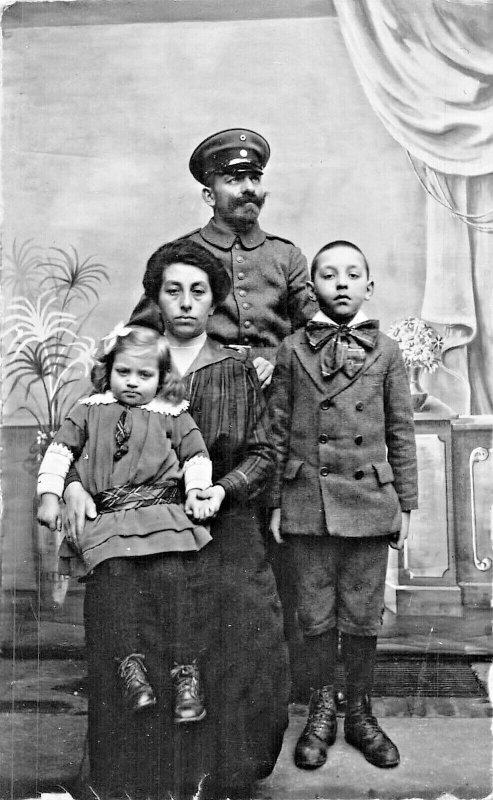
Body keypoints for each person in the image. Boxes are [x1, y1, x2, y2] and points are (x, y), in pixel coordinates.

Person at [64, 240, 290, 800]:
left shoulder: (238, 369)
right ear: (156, 299)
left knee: (247, 633)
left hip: (224, 520)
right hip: (138, 524)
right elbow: (79, 438)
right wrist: (69, 486)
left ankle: (224, 775)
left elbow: (265, 453)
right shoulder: (135, 361)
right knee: (135, 630)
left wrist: (223, 488)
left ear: (215, 301)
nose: (185, 302)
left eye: (198, 291)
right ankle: (139, 776)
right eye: (173, 290)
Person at [268, 240, 418, 771]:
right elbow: (279, 430)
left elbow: (401, 431)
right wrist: (277, 504)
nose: (341, 283)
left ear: (368, 287)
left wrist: (406, 503)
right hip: (308, 498)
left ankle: (360, 712)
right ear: (314, 289)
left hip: (370, 501)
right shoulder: (291, 350)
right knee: (314, 615)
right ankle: (320, 711)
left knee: (361, 615)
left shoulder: (389, 352)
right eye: (329, 275)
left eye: (352, 274)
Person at [37, 324, 215, 724]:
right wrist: (51, 495)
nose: (133, 383)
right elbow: (60, 451)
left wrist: (197, 491)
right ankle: (131, 671)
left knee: (173, 582)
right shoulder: (89, 409)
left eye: (145, 375)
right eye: (124, 373)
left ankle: (185, 672)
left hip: (163, 516)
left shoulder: (173, 414)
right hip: (110, 520)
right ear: (109, 370)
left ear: (163, 378)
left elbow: (197, 457)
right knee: (116, 584)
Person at [131, 127, 317, 388]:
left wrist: (279, 363)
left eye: (255, 178)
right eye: (235, 180)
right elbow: (142, 333)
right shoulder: (179, 254)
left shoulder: (287, 256)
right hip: (200, 388)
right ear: (209, 195)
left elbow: (313, 333)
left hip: (276, 390)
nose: (249, 188)